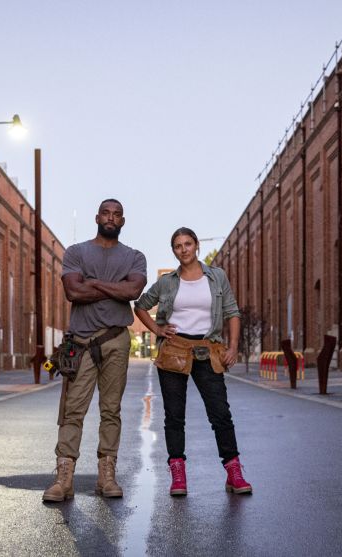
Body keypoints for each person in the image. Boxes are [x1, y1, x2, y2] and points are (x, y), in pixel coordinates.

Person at [134, 227, 252, 496]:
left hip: (207, 350)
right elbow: (140, 305)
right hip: (175, 349)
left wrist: (232, 347)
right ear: (174, 250)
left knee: (220, 413)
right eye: (178, 246)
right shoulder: (167, 282)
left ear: (197, 245)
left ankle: (234, 471)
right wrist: (157, 329)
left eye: (188, 243)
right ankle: (178, 474)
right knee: (174, 416)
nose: (183, 249)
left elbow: (232, 312)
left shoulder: (216, 276)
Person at [42, 199, 147, 502]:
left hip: (116, 340)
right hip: (81, 342)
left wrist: (94, 283)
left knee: (110, 410)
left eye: (116, 214)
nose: (111, 218)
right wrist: (114, 286)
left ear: (122, 221)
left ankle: (107, 477)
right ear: (97, 217)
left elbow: (133, 291)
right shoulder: (76, 252)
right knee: (73, 410)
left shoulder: (134, 256)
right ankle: (64, 480)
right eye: (106, 213)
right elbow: (73, 291)